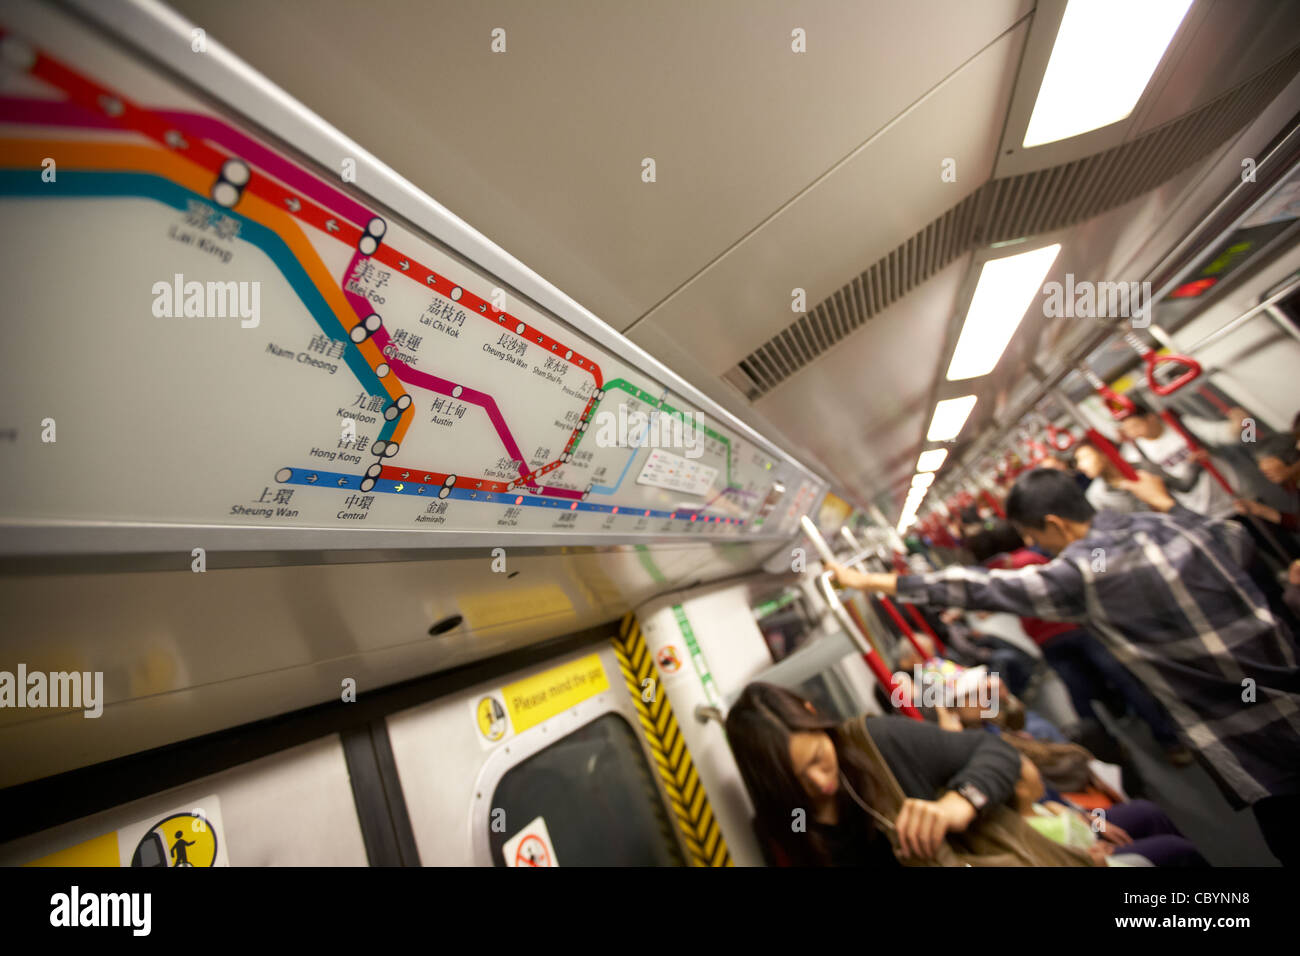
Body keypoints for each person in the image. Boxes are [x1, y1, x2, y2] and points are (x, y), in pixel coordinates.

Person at [829, 468, 1300, 866]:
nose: (1037, 546)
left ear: (1055, 523)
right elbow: (1238, 544)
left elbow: (979, 588)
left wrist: (866, 579)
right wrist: (1168, 507)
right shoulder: (1181, 526)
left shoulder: (1083, 573)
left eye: (1035, 537)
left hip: (1251, 741)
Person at [725, 682, 1036, 866]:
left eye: (818, 759)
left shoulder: (876, 742)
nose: (820, 783)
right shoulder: (787, 823)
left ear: (812, 714)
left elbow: (998, 752)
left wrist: (959, 803)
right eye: (797, 780)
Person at [965, 520, 1189, 764]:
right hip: (1074, 626)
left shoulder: (995, 575)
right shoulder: (1030, 559)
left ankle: (1106, 754)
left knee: (1080, 697)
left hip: (1046, 639)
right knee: (1125, 680)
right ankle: (1169, 742)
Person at [1014, 758, 1208, 867]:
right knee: (1176, 849)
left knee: (1146, 811)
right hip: (1083, 850)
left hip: (1079, 821)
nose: (1030, 764)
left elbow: (1066, 809)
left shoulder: (1034, 803)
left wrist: (1096, 820)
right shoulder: (1021, 831)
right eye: (1024, 763)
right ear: (1017, 787)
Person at [1117, 397, 1247, 519]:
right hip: (1202, 512)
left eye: (1136, 426)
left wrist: (1239, 424)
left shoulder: (1180, 425)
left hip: (1237, 497)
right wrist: (1194, 466)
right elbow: (1176, 486)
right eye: (1127, 430)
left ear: (1151, 418)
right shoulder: (1134, 453)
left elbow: (1222, 434)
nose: (1133, 433)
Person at [1074, 441, 1143, 514]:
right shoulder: (1095, 497)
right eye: (1078, 460)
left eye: (1085, 457)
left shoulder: (1140, 469)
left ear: (1103, 453)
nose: (1079, 466)